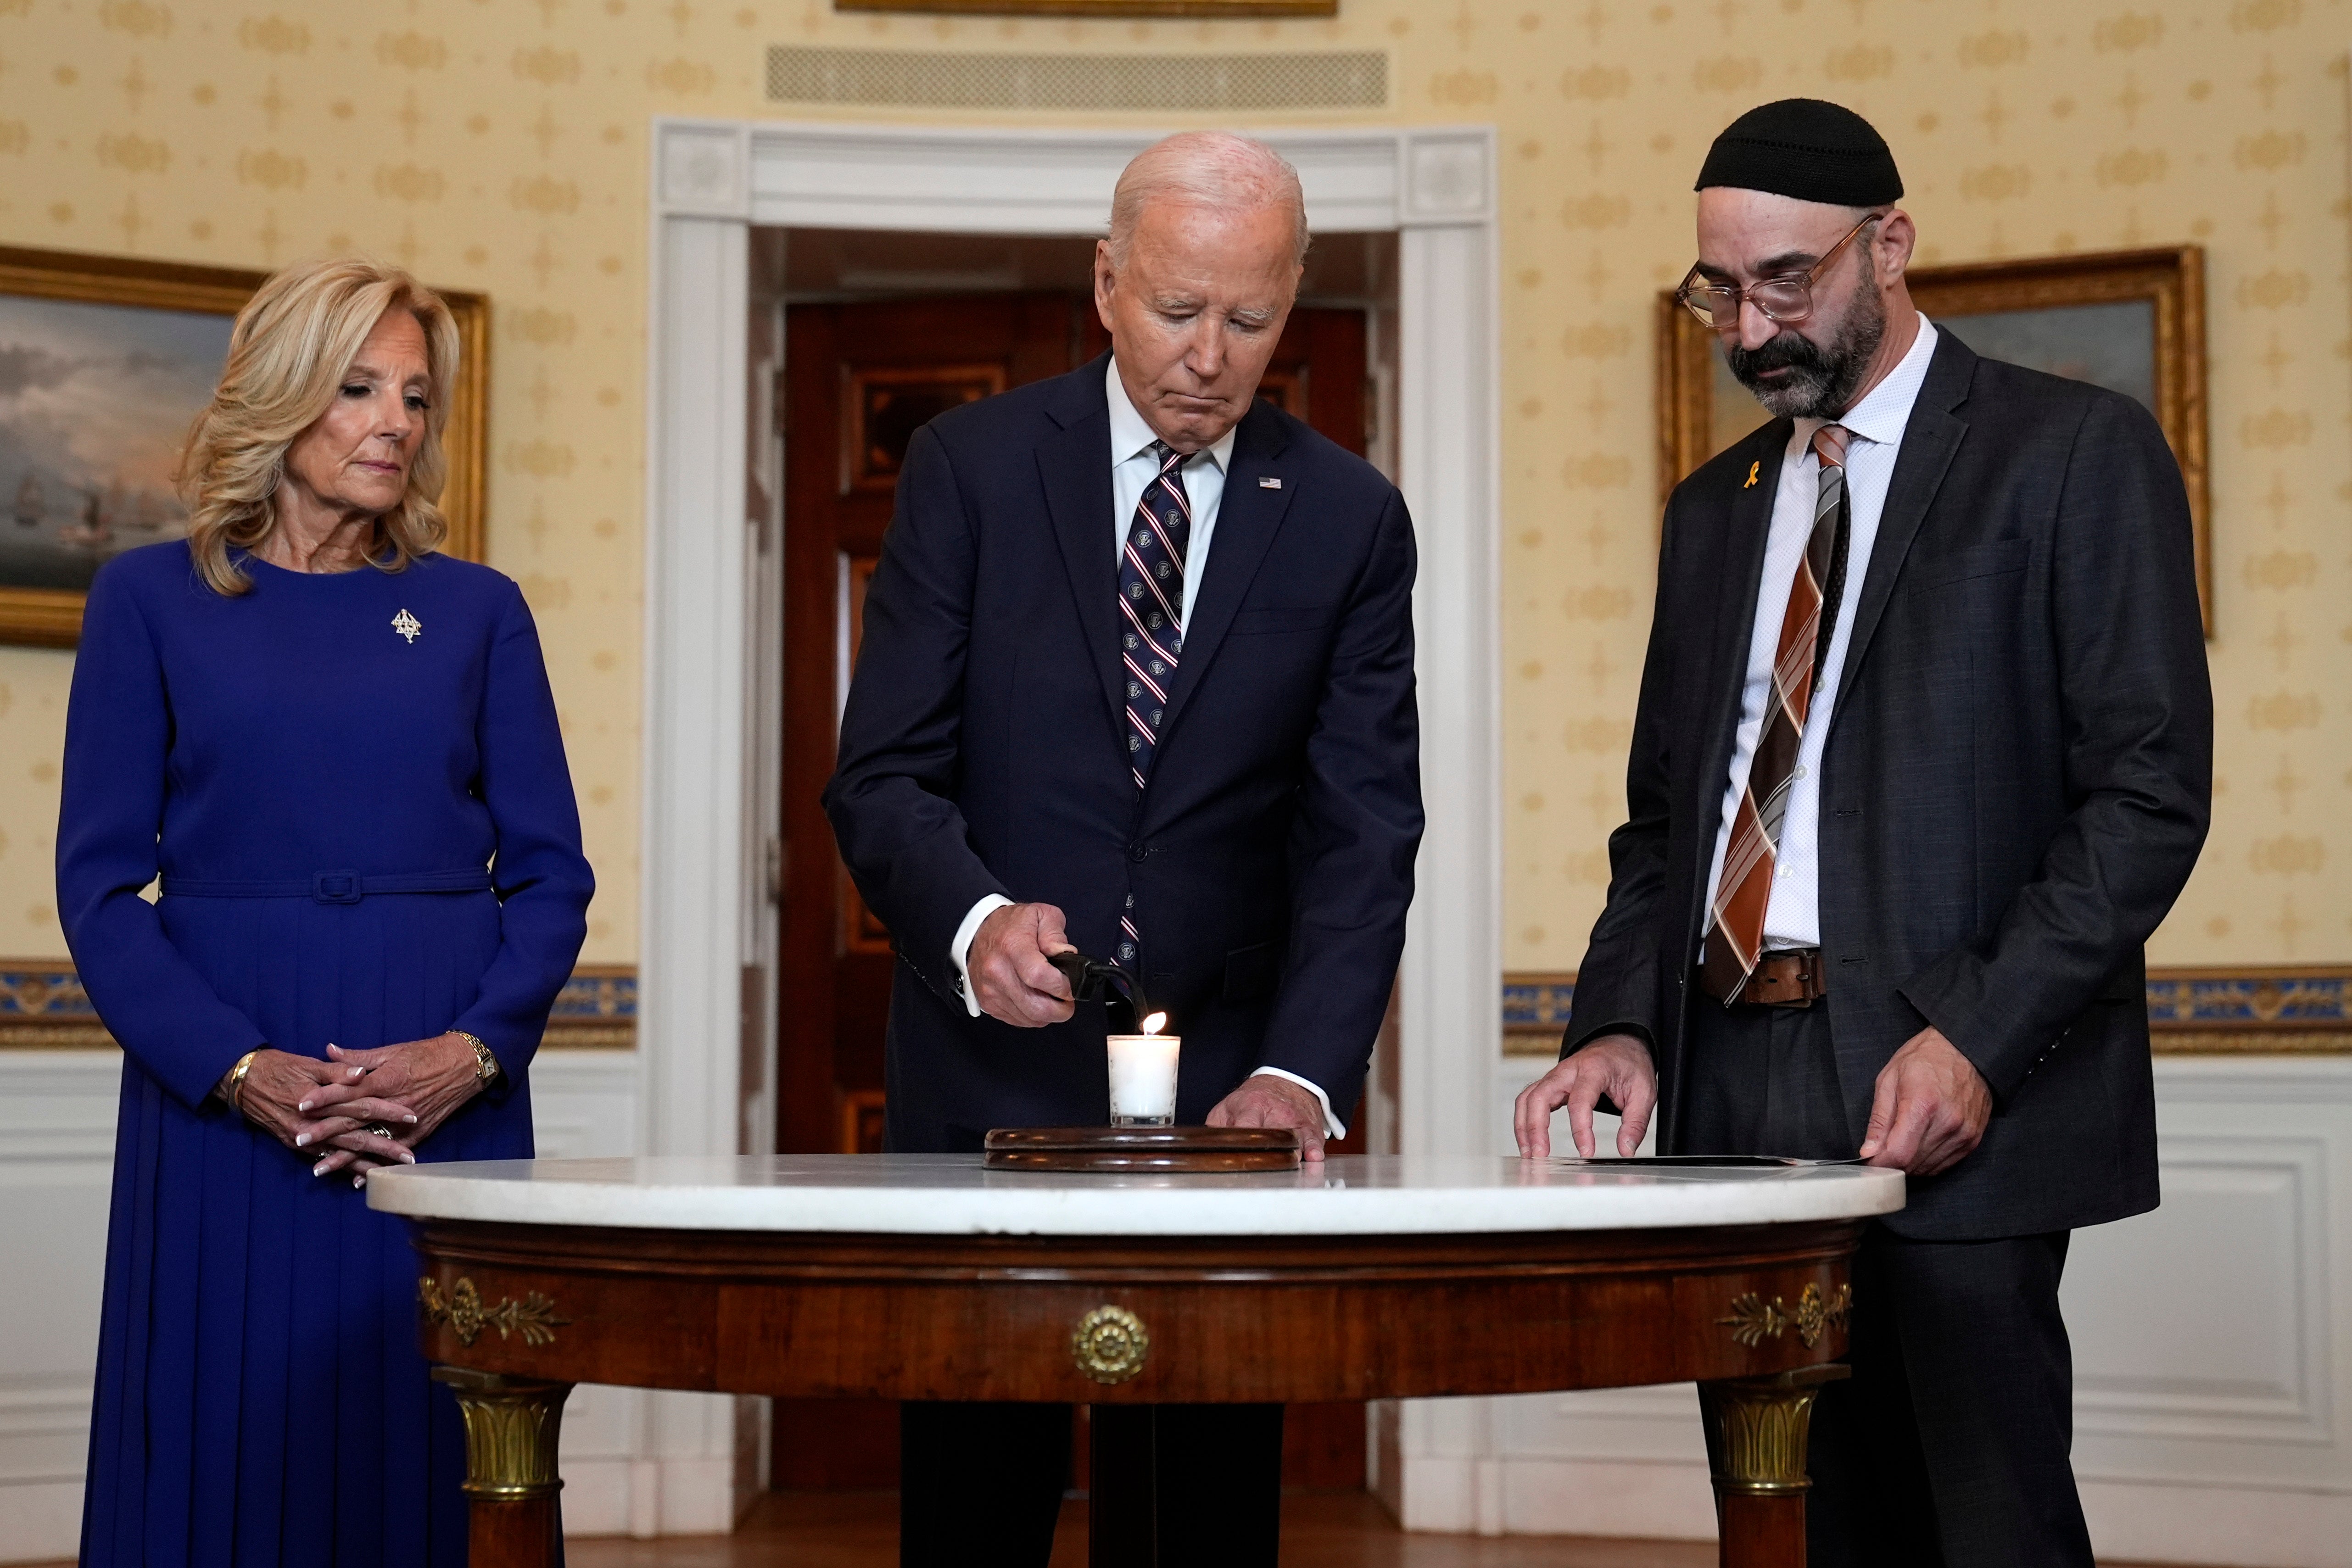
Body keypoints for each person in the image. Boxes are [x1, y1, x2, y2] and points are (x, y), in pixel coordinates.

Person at [1514, 100, 2211, 1567]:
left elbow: (2146, 795)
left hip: (1958, 1089)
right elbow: (1668, 826)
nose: (1751, 325)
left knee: (1987, 1522)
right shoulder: (1716, 511)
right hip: (1733, 1100)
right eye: (1721, 289)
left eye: (1787, 281)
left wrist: (1976, 1036)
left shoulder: (2073, 450)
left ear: (1890, 245)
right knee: (1789, 1525)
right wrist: (1619, 1024)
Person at [824, 131, 1422, 1565]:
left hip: (1228, 1110)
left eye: (1251, 318)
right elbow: (882, 773)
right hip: (986, 1090)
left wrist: (1301, 1071)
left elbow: (1363, 828)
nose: (1212, 354)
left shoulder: (1348, 517)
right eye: (1176, 309)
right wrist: (971, 922)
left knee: (1202, 1522)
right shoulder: (967, 467)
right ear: (1106, 283)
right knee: (974, 1511)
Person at [60, 255, 594, 1564]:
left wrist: (468, 1056)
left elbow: (550, 875)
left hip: (443, 1104)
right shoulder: (148, 600)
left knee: (437, 1451)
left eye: (415, 397)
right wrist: (238, 1068)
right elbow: (99, 887)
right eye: (359, 388)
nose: (394, 423)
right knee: (220, 1438)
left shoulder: (478, 611)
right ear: (282, 397)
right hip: (225, 1103)